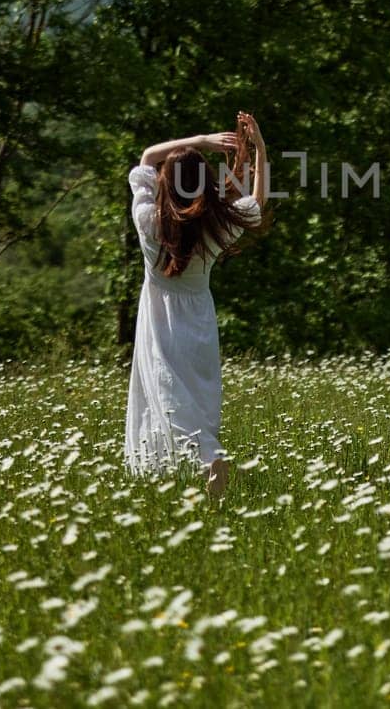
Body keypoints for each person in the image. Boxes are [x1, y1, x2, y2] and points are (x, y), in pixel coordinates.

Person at [124, 112, 268, 497]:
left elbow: (147, 157)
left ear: (166, 184)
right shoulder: (216, 225)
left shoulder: (147, 220)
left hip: (159, 322)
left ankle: (208, 465)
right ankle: (210, 476)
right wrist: (260, 151)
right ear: (204, 184)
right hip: (199, 322)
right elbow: (254, 200)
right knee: (196, 404)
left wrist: (203, 138)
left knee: (168, 397)